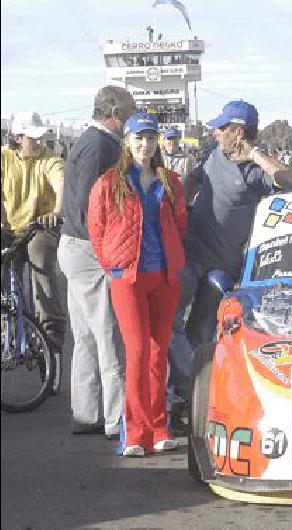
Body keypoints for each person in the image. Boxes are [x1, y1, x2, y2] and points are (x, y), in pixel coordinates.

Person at [168, 100, 292, 432]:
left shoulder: (259, 172)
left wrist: (254, 154)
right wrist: (172, 205)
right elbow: (191, 183)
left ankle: (189, 399)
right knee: (169, 323)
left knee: (200, 332)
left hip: (222, 268)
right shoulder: (214, 156)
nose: (216, 133)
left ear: (237, 132)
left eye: (222, 128)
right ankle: (192, 386)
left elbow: (291, 181)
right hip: (189, 255)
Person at [87, 113, 187, 457]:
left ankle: (160, 427)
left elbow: (180, 223)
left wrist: (169, 258)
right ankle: (136, 432)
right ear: (127, 142)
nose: (145, 144)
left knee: (160, 353)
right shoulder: (109, 182)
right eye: (138, 138)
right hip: (126, 278)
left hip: (163, 277)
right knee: (138, 352)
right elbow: (96, 230)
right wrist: (113, 265)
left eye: (150, 137)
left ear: (157, 141)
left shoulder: (170, 181)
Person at [58, 86, 137, 438]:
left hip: (74, 245)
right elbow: (92, 203)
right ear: (116, 111)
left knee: (86, 336)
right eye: (131, 109)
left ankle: (87, 412)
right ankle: (115, 417)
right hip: (89, 249)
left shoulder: (88, 142)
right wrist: (107, 248)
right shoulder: (102, 145)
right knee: (109, 337)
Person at [1, 112, 66, 389]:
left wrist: (56, 211)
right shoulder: (4, 158)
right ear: (18, 138)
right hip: (8, 228)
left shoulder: (50, 159)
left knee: (40, 261)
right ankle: (6, 321)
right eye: (32, 137)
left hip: (39, 226)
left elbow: (61, 183)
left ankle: (51, 338)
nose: (39, 141)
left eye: (41, 136)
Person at [160, 128, 198, 206]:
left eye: (175, 138)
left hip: (182, 205)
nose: (172, 142)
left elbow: (197, 181)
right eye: (169, 139)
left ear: (179, 140)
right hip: (161, 204)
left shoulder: (189, 159)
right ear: (164, 141)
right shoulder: (157, 158)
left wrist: (188, 200)